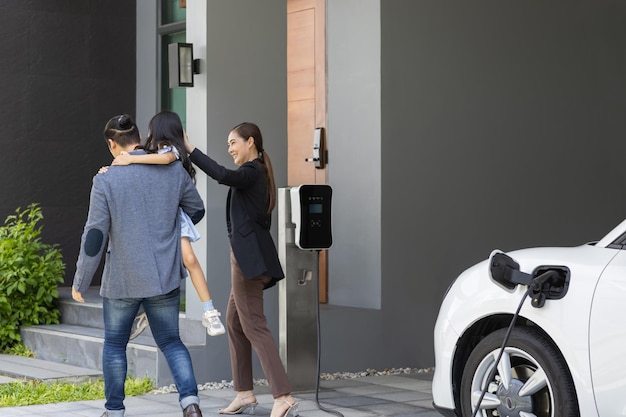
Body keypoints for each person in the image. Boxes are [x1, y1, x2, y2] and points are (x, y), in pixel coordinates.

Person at [72, 114, 205, 417]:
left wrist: (81, 281)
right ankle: (191, 404)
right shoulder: (172, 170)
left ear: (112, 144)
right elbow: (196, 210)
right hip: (164, 277)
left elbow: (95, 236)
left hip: (123, 280)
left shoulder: (106, 179)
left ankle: (115, 411)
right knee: (171, 342)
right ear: (138, 137)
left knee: (115, 345)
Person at [186, 123, 297, 417]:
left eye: (233, 142)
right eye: (227, 145)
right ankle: (245, 393)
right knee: (235, 322)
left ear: (250, 142)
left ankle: (283, 395)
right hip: (249, 258)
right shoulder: (258, 173)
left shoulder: (252, 171)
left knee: (254, 325)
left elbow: (222, 175)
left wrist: (190, 149)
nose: (230, 148)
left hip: (247, 262)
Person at [110, 111, 225, 338]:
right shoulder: (151, 155)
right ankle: (145, 311)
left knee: (189, 259)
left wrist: (130, 158)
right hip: (158, 218)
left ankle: (209, 311)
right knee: (157, 265)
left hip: (173, 217)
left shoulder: (169, 154)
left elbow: (165, 159)